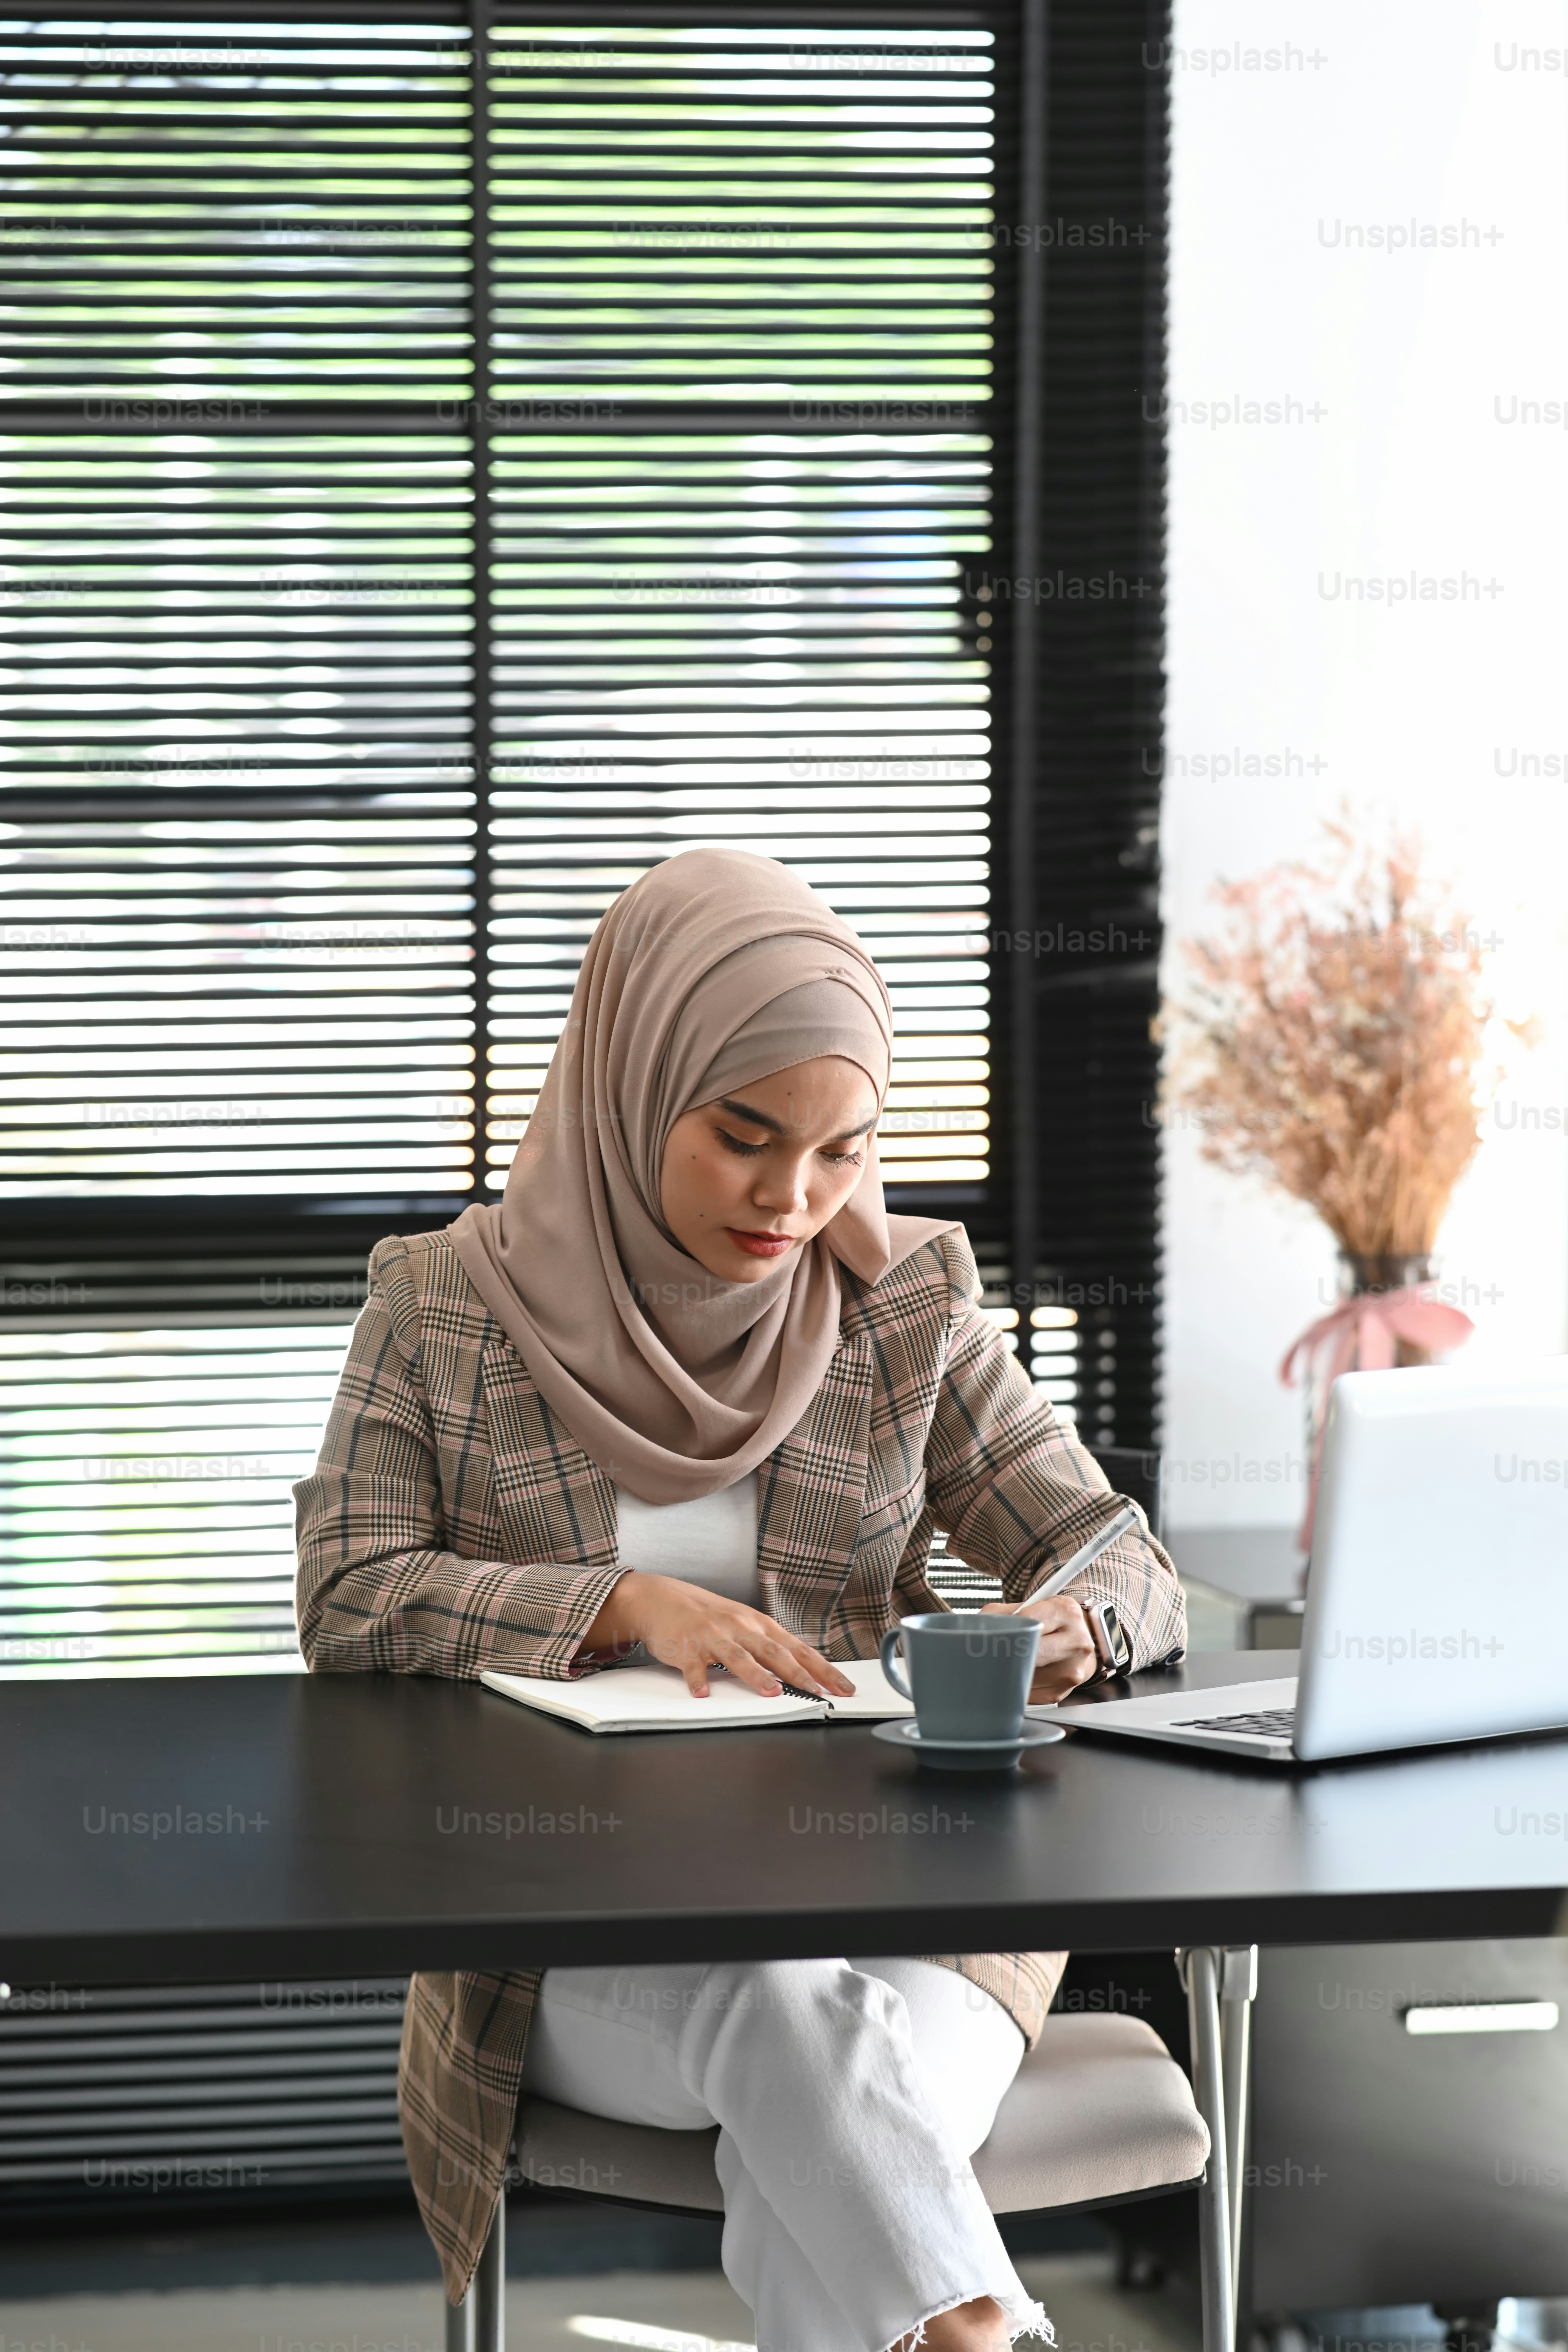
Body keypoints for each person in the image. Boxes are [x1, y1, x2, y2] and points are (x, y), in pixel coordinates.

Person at [295, 849, 1186, 2352]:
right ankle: (980, 2333)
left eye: (844, 1149)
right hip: (570, 1932)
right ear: (631, 1084)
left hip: (922, 1916)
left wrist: (1076, 1621)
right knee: (794, 2025)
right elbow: (350, 1597)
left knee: (826, 2087)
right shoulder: (443, 1307)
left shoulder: (900, 1303)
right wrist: (618, 1602)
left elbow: (1117, 1547)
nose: (794, 1197)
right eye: (744, 1137)